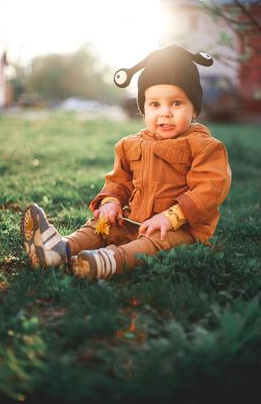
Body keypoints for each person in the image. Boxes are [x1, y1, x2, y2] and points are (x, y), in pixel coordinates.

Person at [21, 44, 232, 281]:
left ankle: (110, 260)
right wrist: (111, 202)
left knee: (155, 243)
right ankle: (62, 248)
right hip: (134, 219)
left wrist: (171, 216)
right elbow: (118, 181)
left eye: (176, 103)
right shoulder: (129, 144)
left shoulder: (204, 146)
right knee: (100, 226)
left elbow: (211, 188)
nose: (165, 113)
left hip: (179, 229)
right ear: (143, 108)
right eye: (155, 104)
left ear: (194, 109)